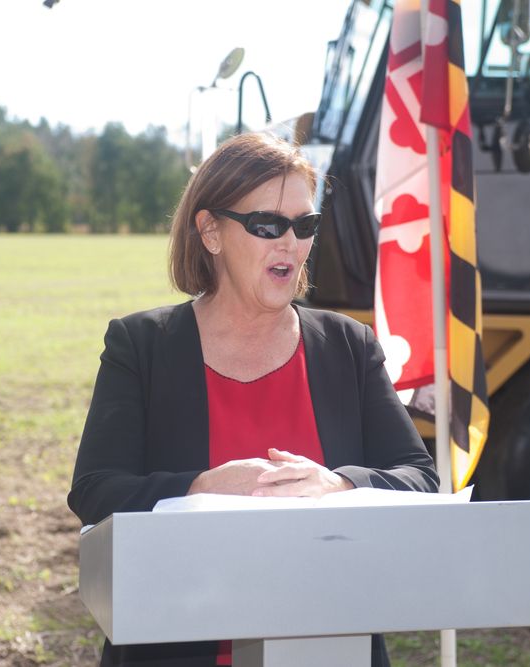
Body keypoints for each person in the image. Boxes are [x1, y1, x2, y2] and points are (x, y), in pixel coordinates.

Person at [68, 132, 439, 667]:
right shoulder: (140, 346)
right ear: (211, 232)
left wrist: (337, 483)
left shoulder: (350, 347)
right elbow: (96, 490)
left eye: (305, 225)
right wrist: (200, 489)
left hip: (331, 647)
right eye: (268, 225)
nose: (290, 243)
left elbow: (419, 478)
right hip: (175, 648)